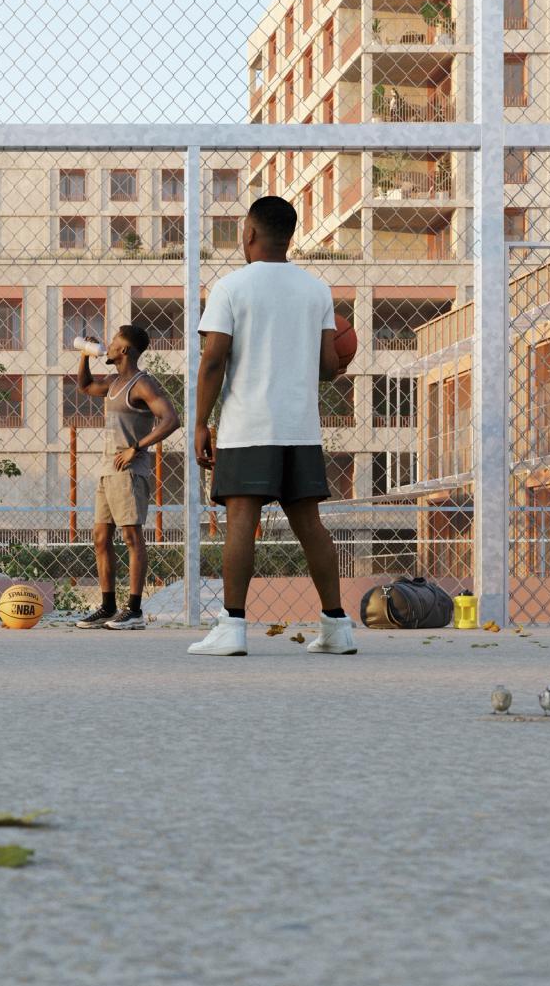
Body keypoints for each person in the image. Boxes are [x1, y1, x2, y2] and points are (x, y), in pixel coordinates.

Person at [186, 195, 357, 658]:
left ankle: (233, 627)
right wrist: (339, 363)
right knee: (311, 526)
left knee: (242, 520)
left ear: (250, 233)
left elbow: (213, 360)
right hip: (300, 427)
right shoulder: (315, 290)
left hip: (249, 424)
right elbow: (327, 366)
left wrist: (200, 423)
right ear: (291, 236)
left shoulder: (231, 288)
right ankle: (337, 627)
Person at [73, 323, 179, 626]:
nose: (109, 344)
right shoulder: (114, 381)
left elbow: (171, 419)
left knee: (132, 536)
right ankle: (107, 607)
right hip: (108, 470)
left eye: (114, 341)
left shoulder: (142, 384)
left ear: (125, 349)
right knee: (100, 537)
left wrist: (137, 447)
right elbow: (85, 386)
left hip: (130, 470)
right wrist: (83, 356)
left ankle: (134, 610)